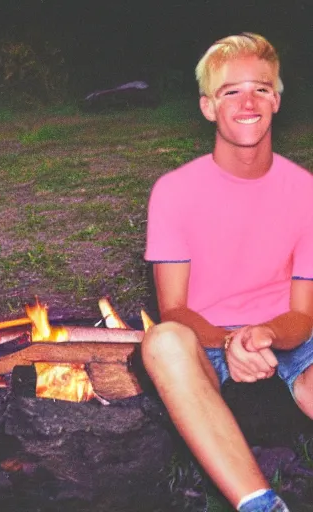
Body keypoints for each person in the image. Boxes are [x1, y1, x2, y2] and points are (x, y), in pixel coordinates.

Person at [142, 32, 313, 512]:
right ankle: (261, 504)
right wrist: (228, 342)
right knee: (162, 340)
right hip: (206, 340)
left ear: (276, 100)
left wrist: (261, 336)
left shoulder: (305, 191)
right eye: (229, 91)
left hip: (285, 336)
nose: (247, 101)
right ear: (207, 107)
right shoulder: (174, 192)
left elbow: (303, 315)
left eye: (260, 88)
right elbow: (174, 308)